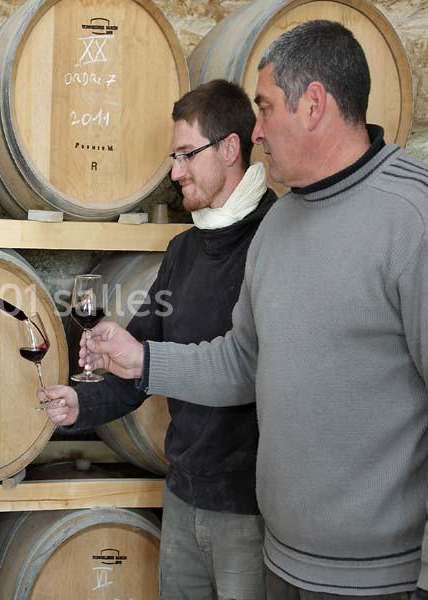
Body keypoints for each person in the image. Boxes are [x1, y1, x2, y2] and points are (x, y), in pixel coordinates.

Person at [49, 20, 428, 599]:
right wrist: (139, 361)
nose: (257, 133)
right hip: (283, 559)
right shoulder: (282, 223)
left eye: (266, 108)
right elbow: (239, 360)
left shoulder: (411, 216)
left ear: (314, 105)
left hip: (380, 579)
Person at [43, 79, 276, 600]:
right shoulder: (184, 250)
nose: (175, 172)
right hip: (183, 498)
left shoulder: (275, 238)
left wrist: (140, 357)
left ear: (230, 148)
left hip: (249, 512)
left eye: (186, 155)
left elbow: (251, 369)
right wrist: (78, 400)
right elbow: (138, 369)